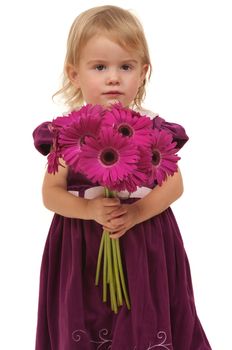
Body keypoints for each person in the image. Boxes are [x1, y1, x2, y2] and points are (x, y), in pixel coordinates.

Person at [33, 5, 211, 350]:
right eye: (99, 67)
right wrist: (90, 210)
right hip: (83, 242)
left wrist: (136, 213)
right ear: (74, 74)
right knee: (87, 311)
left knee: (144, 308)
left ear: (143, 72)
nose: (113, 77)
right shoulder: (68, 133)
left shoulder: (151, 127)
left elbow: (174, 184)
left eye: (125, 67)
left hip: (144, 239)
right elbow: (51, 193)